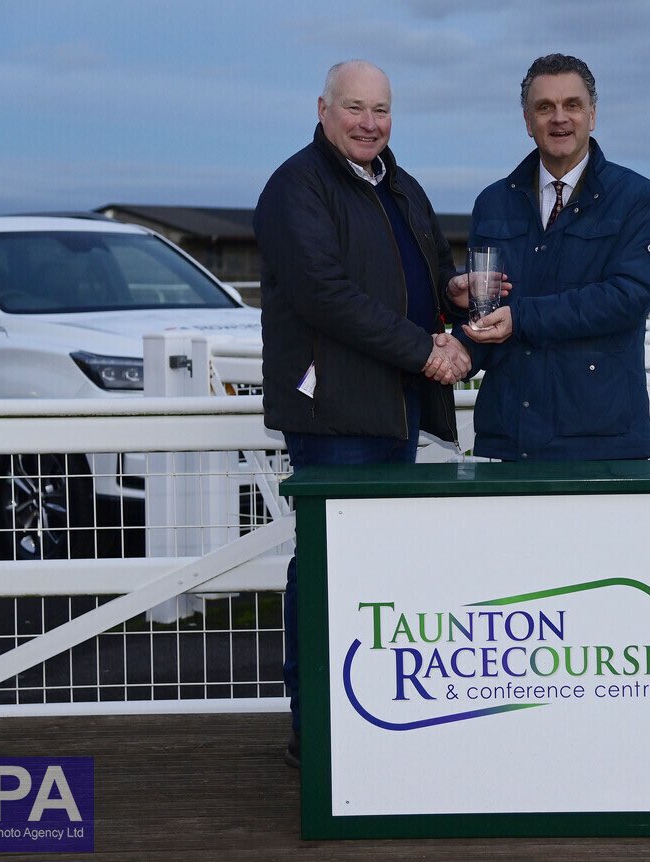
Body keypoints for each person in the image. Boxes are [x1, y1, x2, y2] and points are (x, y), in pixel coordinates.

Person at [253, 59, 472, 766]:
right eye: (355, 108)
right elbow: (325, 296)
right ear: (322, 109)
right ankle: (314, 730)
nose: (369, 122)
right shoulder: (296, 187)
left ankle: (369, 714)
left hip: (394, 405)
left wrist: (460, 288)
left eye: (380, 110)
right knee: (325, 567)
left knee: (379, 569)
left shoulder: (398, 183)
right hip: (335, 411)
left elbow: (432, 267)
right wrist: (424, 350)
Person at [455, 53, 650, 461]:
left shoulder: (637, 199)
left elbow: (628, 297)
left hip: (601, 439)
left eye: (572, 105)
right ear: (527, 120)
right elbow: (485, 307)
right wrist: (459, 346)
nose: (559, 118)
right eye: (544, 107)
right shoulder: (493, 202)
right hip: (509, 437)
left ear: (593, 114)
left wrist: (521, 318)